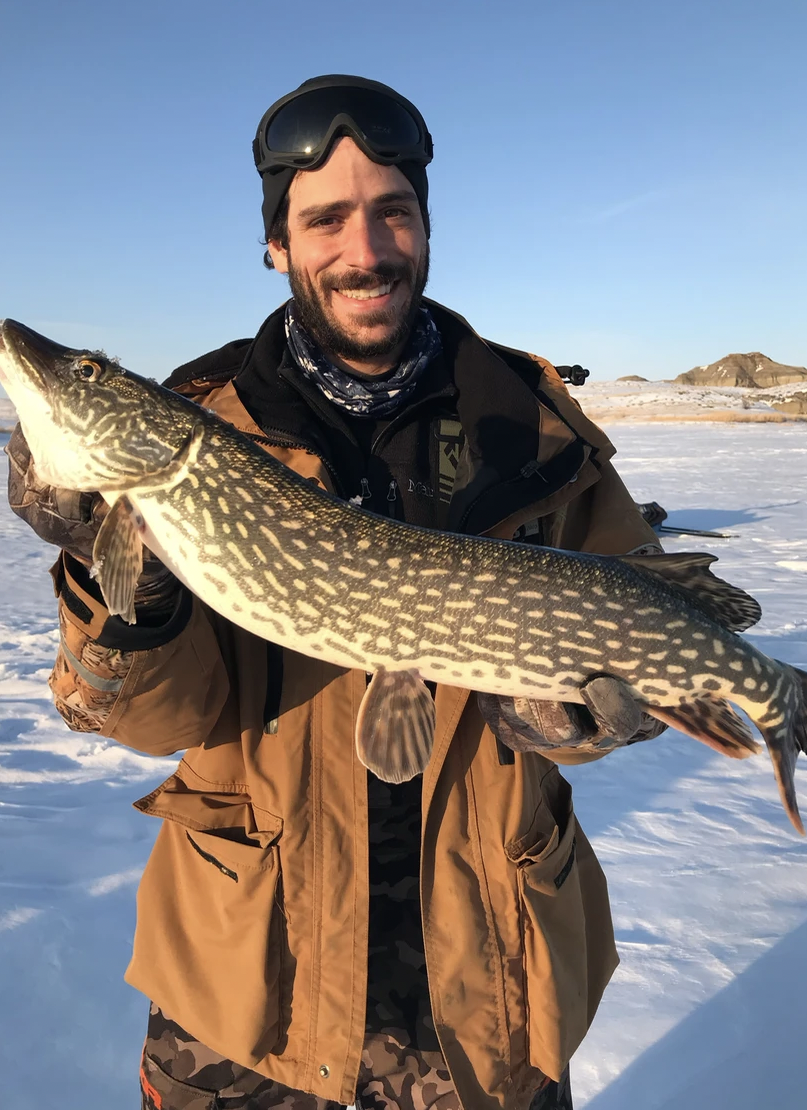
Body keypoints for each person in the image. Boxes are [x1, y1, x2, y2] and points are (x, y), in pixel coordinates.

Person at [7, 75, 665, 1110]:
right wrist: (112, 580)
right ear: (278, 244)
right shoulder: (203, 421)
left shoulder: (540, 433)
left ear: (425, 227)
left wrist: (577, 717)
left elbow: (631, 643)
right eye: (325, 220)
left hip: (492, 980)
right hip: (249, 988)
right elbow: (146, 718)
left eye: (392, 212)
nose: (365, 251)